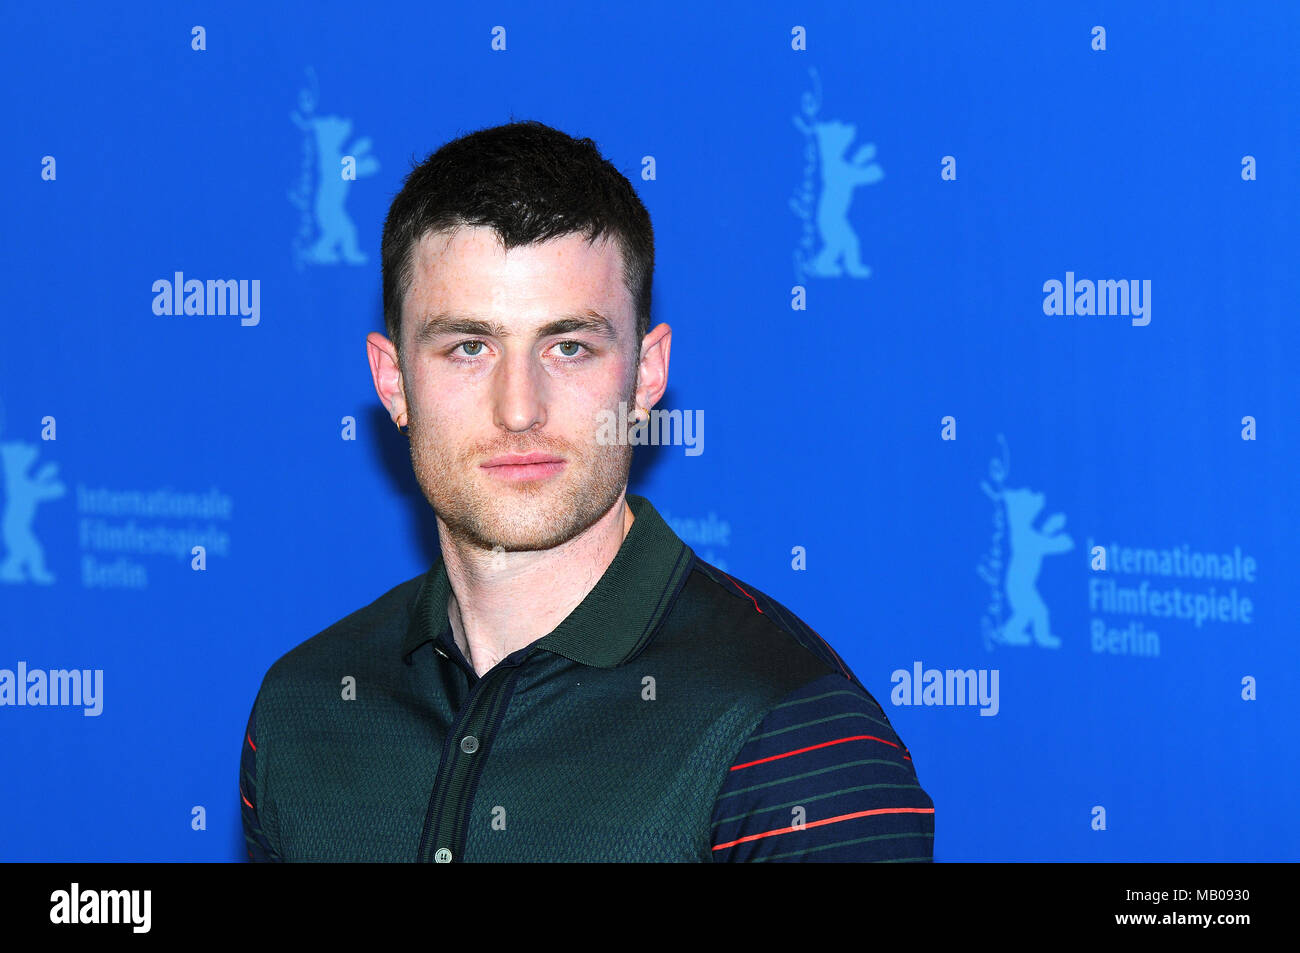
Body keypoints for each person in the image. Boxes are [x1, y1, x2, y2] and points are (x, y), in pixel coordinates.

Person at [239, 119, 935, 862]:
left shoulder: (793, 734)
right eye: (469, 347)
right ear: (393, 381)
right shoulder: (304, 709)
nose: (519, 408)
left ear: (646, 374)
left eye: (569, 347)